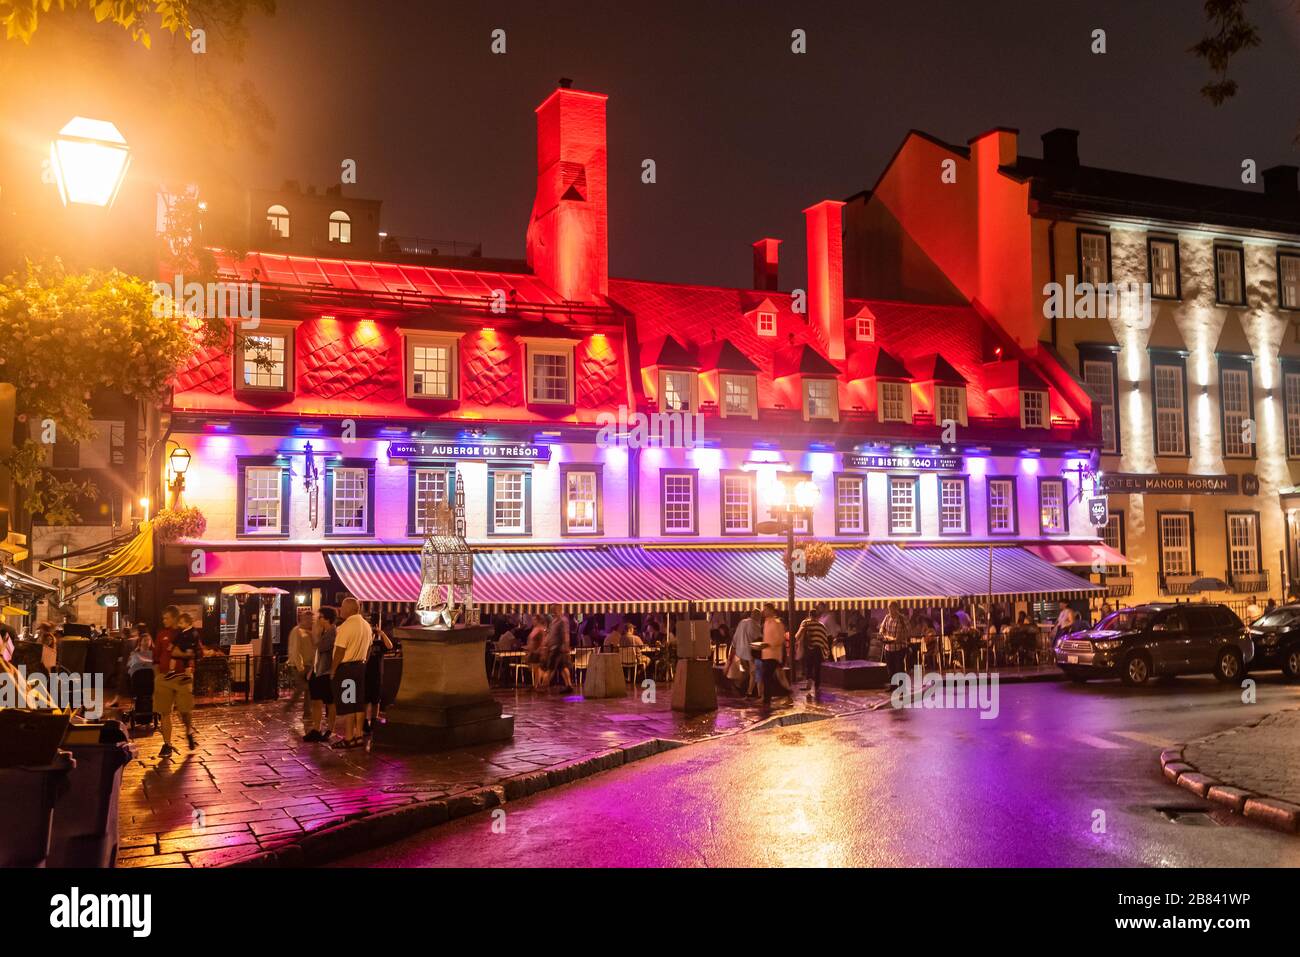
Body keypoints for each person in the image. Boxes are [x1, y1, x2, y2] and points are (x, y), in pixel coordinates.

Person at [154, 605, 200, 758]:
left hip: (182, 677)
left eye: (166, 618)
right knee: (164, 712)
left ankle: (189, 731)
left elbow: (197, 652)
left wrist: (184, 656)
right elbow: (156, 656)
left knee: (185, 711)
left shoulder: (187, 632)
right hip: (164, 676)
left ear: (174, 618)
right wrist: (157, 675)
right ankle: (167, 744)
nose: (163, 620)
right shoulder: (161, 634)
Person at [330, 598, 373, 749]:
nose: (340, 610)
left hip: (346, 668)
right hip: (360, 668)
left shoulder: (346, 626)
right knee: (358, 703)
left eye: (341, 607)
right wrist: (363, 662)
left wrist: (333, 670)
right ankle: (359, 735)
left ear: (349, 609)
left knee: (348, 703)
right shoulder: (366, 625)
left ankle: (348, 737)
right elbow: (369, 648)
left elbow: (340, 650)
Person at [304, 607, 337, 743]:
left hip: (326, 671)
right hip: (318, 671)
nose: (318, 620)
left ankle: (330, 729)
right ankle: (316, 729)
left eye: (320, 617)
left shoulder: (332, 632)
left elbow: (320, 647)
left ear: (327, 619)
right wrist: (312, 670)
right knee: (315, 700)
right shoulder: (324, 632)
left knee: (330, 702)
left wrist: (315, 633)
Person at [364, 612, 394, 734]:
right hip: (366, 674)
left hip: (377, 674)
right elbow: (365, 656)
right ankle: (365, 721)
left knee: (376, 700)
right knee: (365, 700)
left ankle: (374, 720)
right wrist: (369, 639)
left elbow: (390, 646)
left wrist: (381, 633)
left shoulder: (379, 643)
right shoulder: (366, 643)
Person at [796, 604, 831, 699]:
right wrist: (826, 652)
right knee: (817, 667)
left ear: (809, 615)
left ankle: (809, 683)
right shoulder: (821, 626)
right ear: (817, 616)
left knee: (808, 666)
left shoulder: (805, 623)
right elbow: (824, 639)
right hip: (818, 649)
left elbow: (797, 636)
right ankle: (817, 686)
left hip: (808, 648)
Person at [285, 608, 314, 713]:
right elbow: (295, 649)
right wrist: (300, 666)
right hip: (297, 665)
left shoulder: (310, 632)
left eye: (311, 619)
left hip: (309, 665)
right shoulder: (297, 631)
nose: (310, 621)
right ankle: (289, 706)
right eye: (308, 619)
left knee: (308, 689)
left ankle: (307, 712)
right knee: (303, 687)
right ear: (302, 619)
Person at [541, 603, 575, 692]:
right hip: (555, 648)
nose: (552, 612)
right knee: (563, 667)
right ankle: (569, 685)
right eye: (551, 610)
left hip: (558, 648)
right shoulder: (554, 621)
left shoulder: (562, 621)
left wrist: (566, 646)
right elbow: (551, 635)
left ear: (559, 610)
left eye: (554, 610)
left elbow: (565, 634)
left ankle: (543, 686)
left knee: (550, 668)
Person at [760, 604, 788, 708]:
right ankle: (781, 693)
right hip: (766, 654)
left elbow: (780, 639)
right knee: (768, 677)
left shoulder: (777, 623)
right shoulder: (766, 623)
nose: (764, 612)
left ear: (772, 610)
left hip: (774, 655)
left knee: (767, 676)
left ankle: (768, 699)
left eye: (766, 610)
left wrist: (769, 644)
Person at [726, 610, 760, 696]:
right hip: (750, 652)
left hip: (740, 651)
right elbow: (758, 638)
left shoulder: (742, 622)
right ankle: (749, 692)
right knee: (753, 672)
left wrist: (733, 648)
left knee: (746, 671)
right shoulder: (755, 625)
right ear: (757, 616)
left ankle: (738, 685)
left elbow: (735, 637)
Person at [880, 602, 909, 677]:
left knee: (899, 669)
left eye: (892, 608)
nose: (890, 610)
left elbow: (909, 631)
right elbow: (882, 627)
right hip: (888, 648)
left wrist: (901, 637)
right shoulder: (887, 617)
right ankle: (893, 686)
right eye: (889, 608)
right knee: (890, 668)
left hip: (899, 648)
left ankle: (901, 686)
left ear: (896, 608)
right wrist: (882, 632)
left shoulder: (902, 618)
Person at [525, 613, 547, 688]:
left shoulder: (540, 629)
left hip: (537, 651)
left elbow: (542, 641)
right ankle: (537, 684)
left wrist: (539, 649)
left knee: (537, 668)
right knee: (535, 669)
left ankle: (537, 684)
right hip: (533, 651)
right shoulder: (534, 629)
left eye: (534, 620)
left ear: (538, 620)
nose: (533, 621)